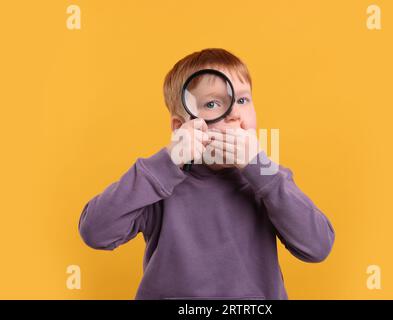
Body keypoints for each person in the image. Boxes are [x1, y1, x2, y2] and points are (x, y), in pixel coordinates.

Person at [78, 48, 335, 299]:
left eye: (243, 100)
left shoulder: (269, 179)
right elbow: (96, 232)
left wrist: (263, 173)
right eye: (213, 103)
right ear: (182, 127)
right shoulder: (159, 184)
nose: (235, 114)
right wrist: (166, 162)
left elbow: (317, 247)